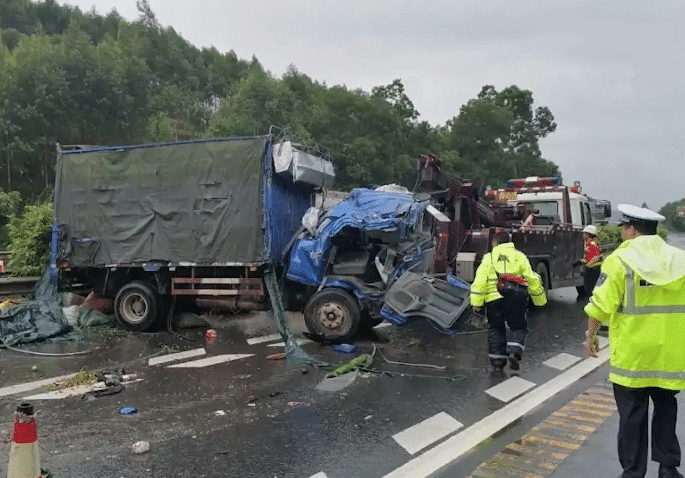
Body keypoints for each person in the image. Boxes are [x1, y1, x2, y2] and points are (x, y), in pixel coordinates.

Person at [584, 204, 685, 478]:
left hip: (633, 355)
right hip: (670, 353)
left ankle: (633, 471)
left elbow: (599, 306)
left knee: (632, 416)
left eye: (623, 228)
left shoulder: (620, 260)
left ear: (631, 229)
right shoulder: (679, 260)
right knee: (666, 409)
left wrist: (591, 336)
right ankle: (668, 468)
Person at [470, 230, 547, 372]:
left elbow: (479, 282)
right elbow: (532, 279)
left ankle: (497, 362)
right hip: (516, 298)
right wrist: (540, 301)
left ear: (495, 243)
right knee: (518, 326)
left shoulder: (489, 258)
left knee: (496, 328)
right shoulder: (520, 256)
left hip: (494, 299)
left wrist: (477, 304)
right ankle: (514, 352)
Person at [582, 224, 602, 294]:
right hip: (590, 270)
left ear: (588, 234)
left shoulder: (592, 244)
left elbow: (595, 257)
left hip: (592, 271)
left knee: (591, 290)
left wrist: (587, 265)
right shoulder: (588, 243)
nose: (583, 235)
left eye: (584, 233)